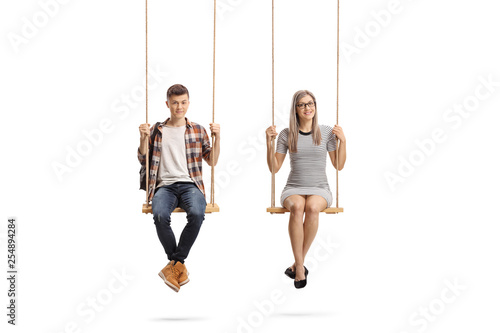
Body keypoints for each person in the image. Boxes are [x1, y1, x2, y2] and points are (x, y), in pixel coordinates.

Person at [138, 84, 220, 293]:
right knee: (159, 215)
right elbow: (143, 159)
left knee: (196, 213)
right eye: (174, 103)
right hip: (164, 186)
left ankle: (173, 265)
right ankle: (178, 265)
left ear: (188, 103)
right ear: (167, 104)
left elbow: (212, 161)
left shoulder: (198, 130)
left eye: (183, 102)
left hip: (190, 184)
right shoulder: (157, 130)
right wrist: (143, 139)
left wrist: (217, 138)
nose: (179, 106)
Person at [266, 90, 346, 289]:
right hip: (293, 187)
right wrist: (269, 143)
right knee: (298, 206)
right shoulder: (286, 134)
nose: (307, 108)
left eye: (310, 103)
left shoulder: (326, 132)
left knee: (312, 208)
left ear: (315, 106)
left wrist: (343, 141)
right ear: (295, 109)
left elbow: (338, 165)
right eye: (302, 104)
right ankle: (300, 266)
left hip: (320, 187)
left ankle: (297, 264)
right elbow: (274, 168)